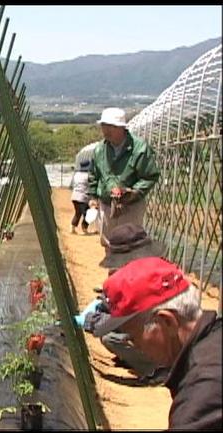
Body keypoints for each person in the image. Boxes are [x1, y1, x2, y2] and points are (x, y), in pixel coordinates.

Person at [94, 256, 222, 429]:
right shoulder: (213, 342)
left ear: (167, 322)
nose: (134, 345)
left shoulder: (201, 392)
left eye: (134, 337)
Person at [77, 223, 169, 384]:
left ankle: (157, 369)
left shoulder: (144, 279)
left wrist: (88, 320)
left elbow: (115, 318)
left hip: (162, 333)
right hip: (152, 324)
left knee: (110, 338)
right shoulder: (142, 270)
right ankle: (136, 356)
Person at [88, 107, 160, 246]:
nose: (106, 130)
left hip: (130, 207)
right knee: (109, 244)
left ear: (121, 128)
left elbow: (150, 175)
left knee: (130, 245)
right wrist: (93, 198)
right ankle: (113, 268)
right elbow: (93, 175)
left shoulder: (139, 149)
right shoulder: (99, 150)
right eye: (104, 126)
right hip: (107, 206)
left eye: (111, 126)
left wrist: (133, 192)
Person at [69, 160, 92, 235]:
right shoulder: (88, 175)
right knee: (88, 214)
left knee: (78, 213)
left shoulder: (77, 174)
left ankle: (72, 228)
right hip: (82, 198)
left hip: (74, 196)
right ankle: (84, 228)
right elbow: (91, 185)